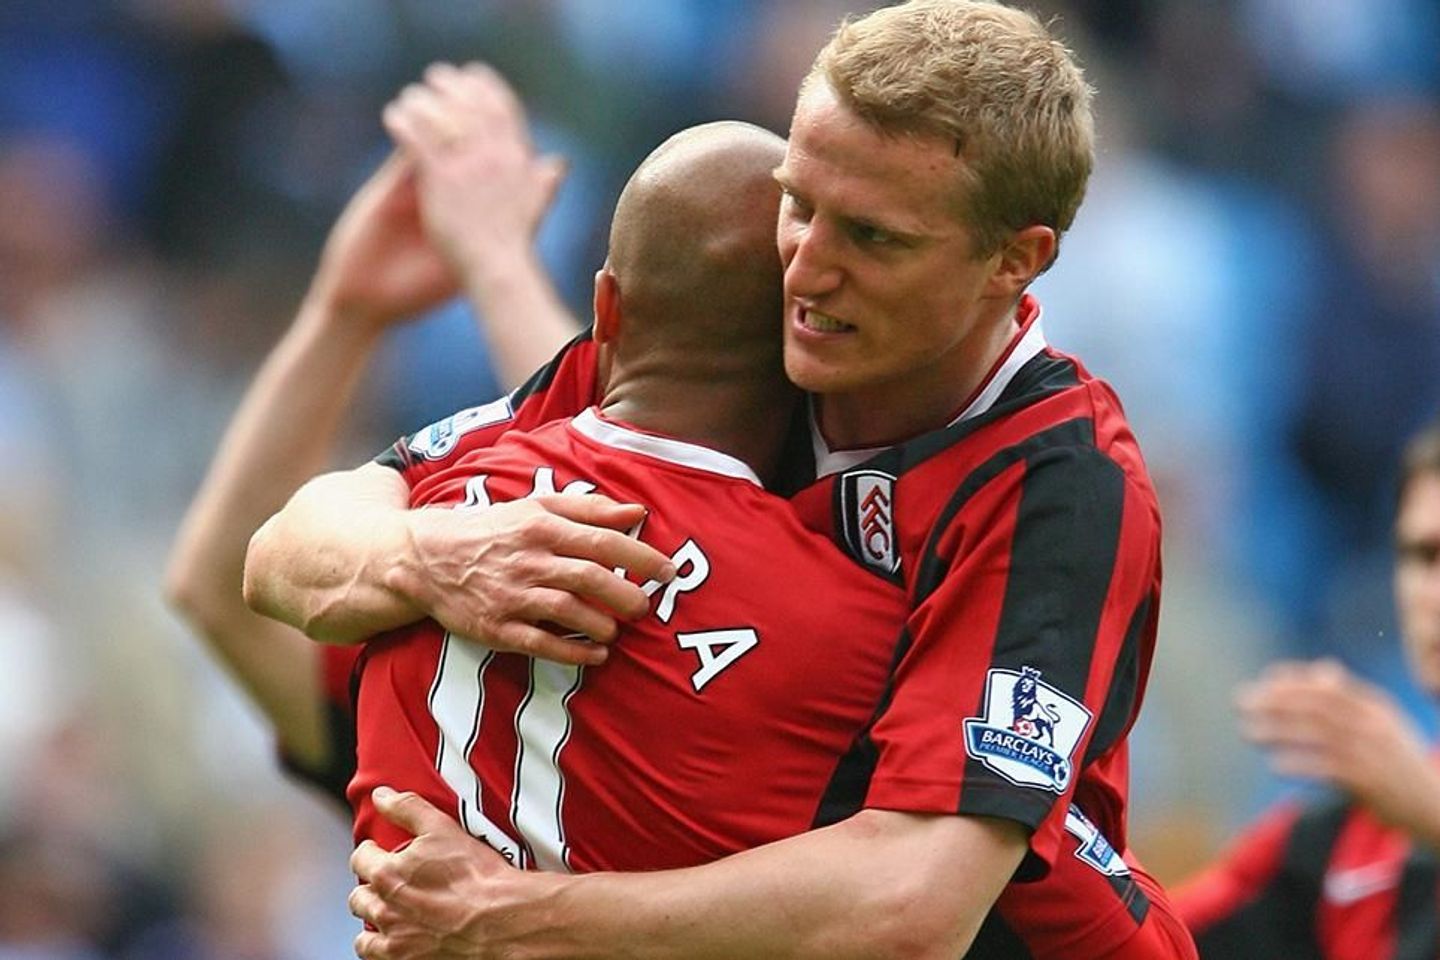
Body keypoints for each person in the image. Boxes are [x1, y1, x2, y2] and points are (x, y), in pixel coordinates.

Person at [245, 4, 1194, 957]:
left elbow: (916, 908)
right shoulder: (759, 324)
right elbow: (287, 550)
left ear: (1015, 260)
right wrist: (431, 552)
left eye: (873, 237)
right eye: (799, 201)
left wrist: (505, 914)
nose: (806, 267)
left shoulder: (1059, 487)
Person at [1175, 420, 1440, 959]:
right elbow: (1142, 942)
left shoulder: (1410, 805)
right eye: (1424, 556)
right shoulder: (1343, 837)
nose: (1434, 593)